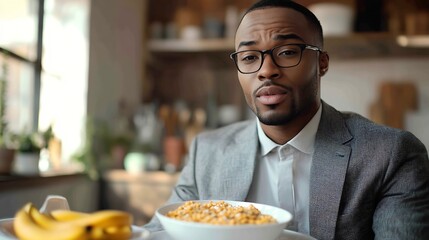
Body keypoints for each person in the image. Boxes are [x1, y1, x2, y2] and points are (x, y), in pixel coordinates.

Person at [143, 0, 429, 239]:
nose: (266, 70)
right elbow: (160, 233)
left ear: (322, 63)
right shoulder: (208, 151)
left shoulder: (391, 154)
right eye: (249, 57)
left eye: (288, 52)